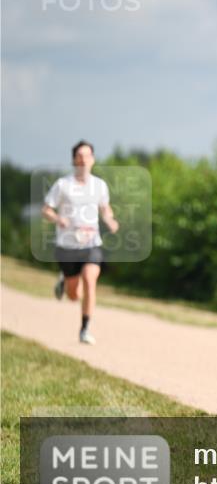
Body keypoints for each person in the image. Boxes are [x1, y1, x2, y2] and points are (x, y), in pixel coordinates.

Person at [42, 140, 119, 344]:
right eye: (79, 156)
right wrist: (58, 219)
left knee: (90, 280)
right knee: (74, 294)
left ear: (93, 159)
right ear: (74, 160)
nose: (83, 159)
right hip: (67, 246)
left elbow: (105, 208)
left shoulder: (100, 185)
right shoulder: (63, 185)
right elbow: (46, 209)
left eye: (87, 155)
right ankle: (64, 281)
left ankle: (85, 329)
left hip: (91, 243)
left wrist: (110, 219)